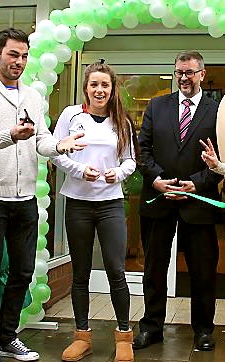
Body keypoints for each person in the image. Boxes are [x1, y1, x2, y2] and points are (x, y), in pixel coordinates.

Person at [0, 27, 85, 362]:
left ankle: (7, 336)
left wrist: (59, 145)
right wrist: (10, 135)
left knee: (22, 273)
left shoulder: (32, 95)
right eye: (13, 54)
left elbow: (40, 138)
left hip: (24, 198)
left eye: (24, 55)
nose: (19, 61)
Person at [134, 51, 221, 352]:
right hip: (159, 200)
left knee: (203, 272)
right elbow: (142, 150)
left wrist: (196, 183)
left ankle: (204, 330)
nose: (183, 78)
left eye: (189, 72)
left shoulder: (217, 111)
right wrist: (157, 180)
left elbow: (223, 159)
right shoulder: (157, 106)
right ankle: (151, 327)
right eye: (179, 72)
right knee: (154, 270)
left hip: (199, 203)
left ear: (202, 74)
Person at [52, 61, 138, 362]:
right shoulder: (71, 116)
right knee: (81, 272)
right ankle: (82, 336)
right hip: (78, 203)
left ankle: (124, 337)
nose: (99, 90)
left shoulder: (122, 122)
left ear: (112, 89)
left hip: (110, 204)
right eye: (94, 85)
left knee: (116, 269)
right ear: (86, 88)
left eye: (105, 85)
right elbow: (57, 151)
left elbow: (130, 160)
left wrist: (119, 173)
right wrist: (78, 170)